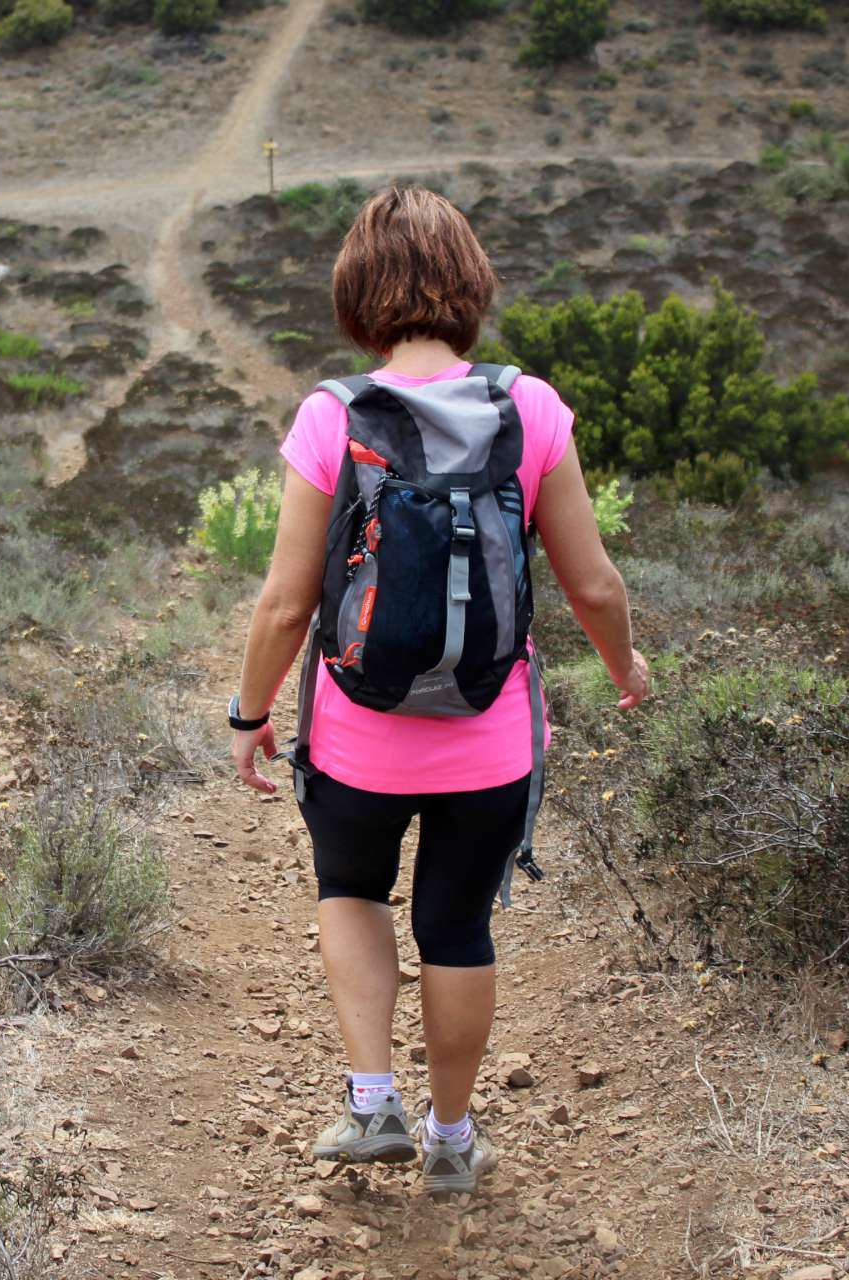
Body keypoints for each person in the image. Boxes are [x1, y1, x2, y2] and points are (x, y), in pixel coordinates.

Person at [227, 185, 648, 1195]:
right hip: (492, 733)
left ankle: (371, 1100)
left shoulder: (333, 414)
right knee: (457, 927)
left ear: (357, 291)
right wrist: (625, 664)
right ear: (470, 285)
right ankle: (451, 1137)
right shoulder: (529, 407)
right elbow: (591, 580)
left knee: (353, 891)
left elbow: (287, 602)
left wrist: (250, 714)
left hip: (358, 733)